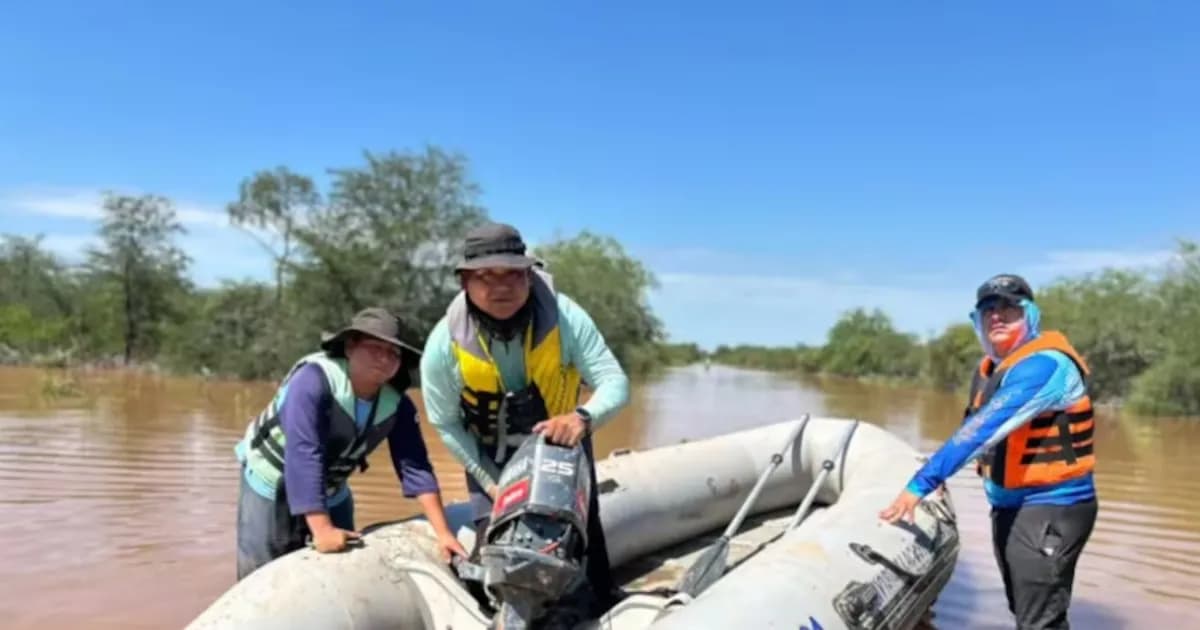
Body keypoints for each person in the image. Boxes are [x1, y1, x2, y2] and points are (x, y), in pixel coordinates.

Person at [419, 221, 631, 613]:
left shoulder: (567, 318)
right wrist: (489, 481)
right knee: (492, 554)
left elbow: (615, 382)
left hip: (563, 446)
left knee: (587, 546)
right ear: (464, 282)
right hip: (489, 454)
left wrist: (583, 418)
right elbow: (445, 422)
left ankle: (602, 602)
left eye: (514, 274)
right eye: (485, 276)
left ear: (531, 277)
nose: (501, 286)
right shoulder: (441, 345)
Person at [880, 274, 1099, 630]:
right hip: (1010, 506)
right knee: (1026, 611)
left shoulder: (1045, 366)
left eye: (1008, 308)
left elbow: (978, 433)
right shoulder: (992, 370)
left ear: (1029, 314)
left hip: (1053, 506)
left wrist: (922, 483)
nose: (997, 315)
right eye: (988, 310)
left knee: (1039, 621)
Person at [234, 307, 467, 580]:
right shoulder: (312, 381)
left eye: (394, 353)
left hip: (332, 486)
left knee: (343, 566)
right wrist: (322, 530)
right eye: (375, 348)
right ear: (349, 347)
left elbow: (415, 467)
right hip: (272, 480)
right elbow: (303, 454)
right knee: (263, 575)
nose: (384, 358)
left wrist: (443, 534)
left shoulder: (398, 404)